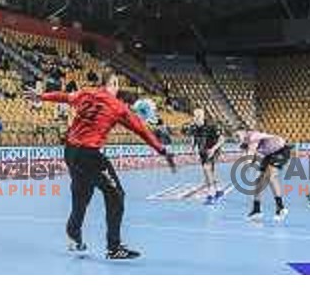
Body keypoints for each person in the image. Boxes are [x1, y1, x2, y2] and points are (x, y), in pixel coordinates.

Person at [26, 72, 176, 260]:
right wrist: (162, 151)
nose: (118, 88)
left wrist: (41, 96)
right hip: (89, 155)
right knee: (116, 195)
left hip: (71, 151)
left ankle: (73, 231)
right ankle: (114, 248)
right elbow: (141, 130)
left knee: (82, 195)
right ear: (111, 84)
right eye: (117, 84)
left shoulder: (86, 93)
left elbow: (64, 97)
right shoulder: (118, 107)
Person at [236, 129, 290, 221]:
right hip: (269, 155)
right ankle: (256, 209)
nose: (236, 138)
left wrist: (247, 164)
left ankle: (280, 207)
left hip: (280, 151)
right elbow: (252, 155)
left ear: (244, 132)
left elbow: (250, 154)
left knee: (271, 176)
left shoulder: (253, 136)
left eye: (238, 135)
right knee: (259, 182)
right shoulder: (247, 142)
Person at [184, 108, 225, 205]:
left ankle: (211, 194)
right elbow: (193, 138)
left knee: (207, 168)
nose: (196, 118)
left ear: (203, 116)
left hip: (213, 149)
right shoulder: (193, 127)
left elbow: (222, 139)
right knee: (209, 171)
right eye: (195, 116)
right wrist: (192, 148)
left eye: (199, 116)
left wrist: (213, 149)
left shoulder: (211, 126)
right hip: (202, 151)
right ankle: (218, 190)